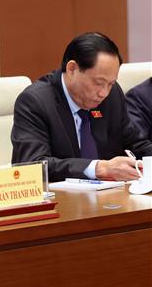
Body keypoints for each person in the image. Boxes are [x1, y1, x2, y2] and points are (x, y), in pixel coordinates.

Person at [11, 32, 152, 182]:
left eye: (110, 84)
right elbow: (32, 165)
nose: (104, 93)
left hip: (111, 193)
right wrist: (98, 168)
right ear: (72, 69)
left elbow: (135, 144)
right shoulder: (35, 102)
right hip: (62, 195)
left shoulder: (113, 95)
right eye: (98, 83)